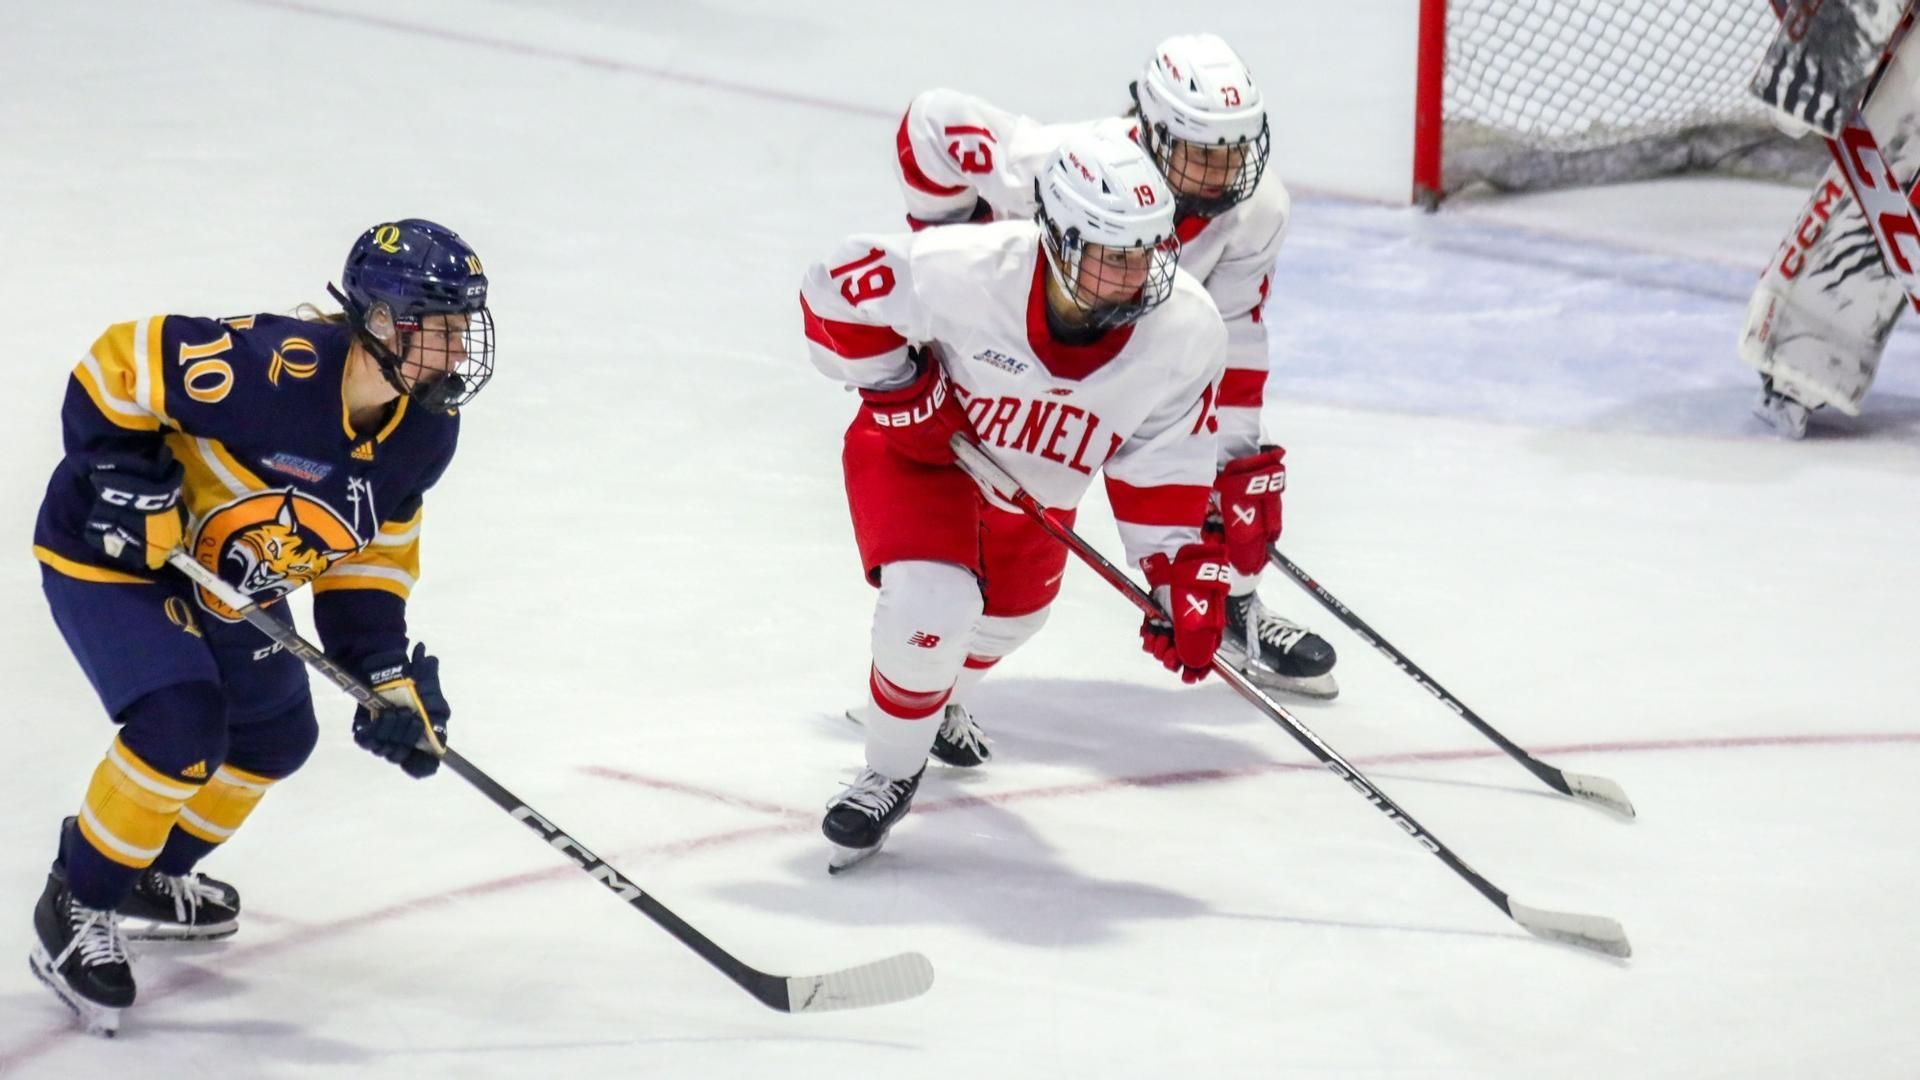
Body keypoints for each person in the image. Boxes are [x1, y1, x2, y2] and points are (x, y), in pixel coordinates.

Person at [26, 218, 494, 1036]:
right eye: (443, 329)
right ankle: (79, 897)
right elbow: (117, 361)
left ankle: (144, 870)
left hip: (231, 579)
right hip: (114, 558)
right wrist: (115, 473)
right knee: (181, 726)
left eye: (465, 329)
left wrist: (383, 672)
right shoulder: (271, 372)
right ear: (381, 324)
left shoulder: (425, 431)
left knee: (274, 736)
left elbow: (368, 558)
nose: (458, 353)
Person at [802, 129, 1234, 872]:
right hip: (924, 455)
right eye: (1112, 254)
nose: (1136, 276)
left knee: (1008, 626)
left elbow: (1161, 468)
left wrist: (1176, 581)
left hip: (1036, 490)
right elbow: (831, 289)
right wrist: (899, 387)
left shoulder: (1186, 331)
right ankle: (890, 769)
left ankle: (932, 703)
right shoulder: (968, 270)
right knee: (931, 606)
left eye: (1147, 252)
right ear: (1059, 237)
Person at [890, 32, 1337, 699]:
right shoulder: (1057, 168)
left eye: (1235, 152)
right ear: (1150, 131)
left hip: (1138, 369)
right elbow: (930, 123)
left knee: (1221, 500)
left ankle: (1235, 605)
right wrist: (953, 254)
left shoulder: (1257, 210)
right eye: (1202, 153)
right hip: (1027, 368)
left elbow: (1235, 335)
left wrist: (1239, 463)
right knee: (1001, 568)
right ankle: (920, 689)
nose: (1222, 175)